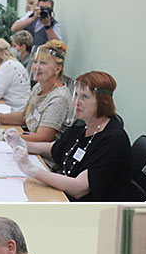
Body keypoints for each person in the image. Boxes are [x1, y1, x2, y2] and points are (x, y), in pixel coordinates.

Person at [10, 71, 134, 201]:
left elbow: (79, 189)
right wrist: (22, 143)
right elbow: (57, 147)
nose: (76, 102)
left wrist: (30, 169)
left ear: (103, 102)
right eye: (76, 95)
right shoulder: (83, 124)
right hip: (63, 193)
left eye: (84, 97)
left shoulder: (113, 140)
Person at [0, 40, 74, 144]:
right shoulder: (38, 87)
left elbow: (42, 137)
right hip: (28, 140)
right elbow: (24, 117)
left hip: (41, 155)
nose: (36, 67)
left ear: (58, 69)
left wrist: (3, 134)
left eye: (43, 63)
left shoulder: (59, 98)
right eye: (35, 62)